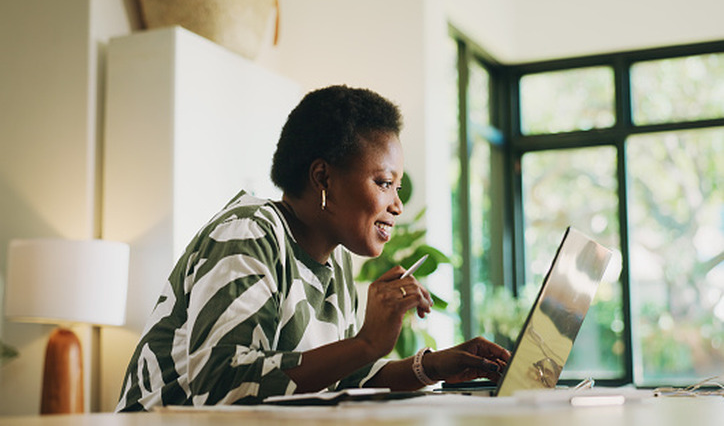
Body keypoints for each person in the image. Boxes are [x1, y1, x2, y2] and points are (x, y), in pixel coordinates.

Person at [115, 85, 510, 410]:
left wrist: (435, 366)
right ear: (322, 177)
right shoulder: (248, 233)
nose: (397, 205)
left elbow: (339, 376)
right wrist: (366, 342)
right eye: (384, 182)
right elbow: (222, 387)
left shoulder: (332, 260)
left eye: (398, 187)